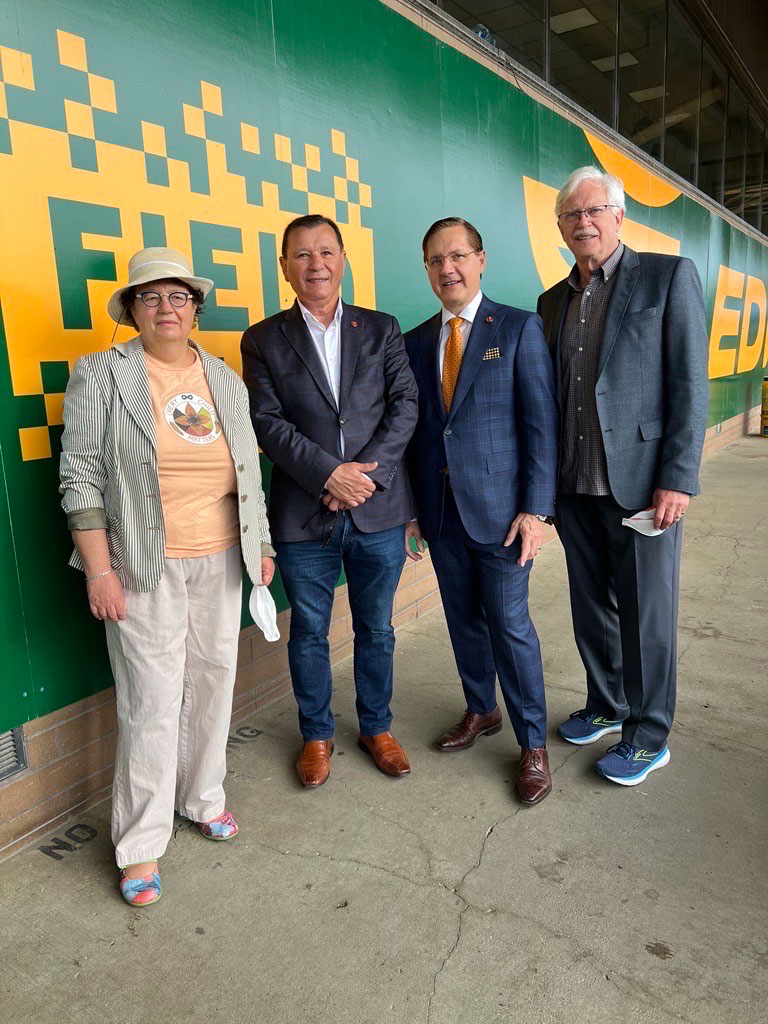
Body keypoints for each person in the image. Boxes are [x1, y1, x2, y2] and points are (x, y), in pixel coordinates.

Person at [60, 247, 274, 906]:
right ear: (131, 309)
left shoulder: (224, 379)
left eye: (178, 296)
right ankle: (141, 844)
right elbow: (80, 477)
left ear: (195, 307)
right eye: (149, 297)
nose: (165, 307)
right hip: (142, 564)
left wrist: (259, 545)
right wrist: (99, 568)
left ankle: (202, 796)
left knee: (214, 680)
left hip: (221, 558)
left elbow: (247, 470)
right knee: (151, 702)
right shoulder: (100, 374)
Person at [537, 167, 709, 786]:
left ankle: (648, 734)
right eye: (571, 215)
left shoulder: (667, 277)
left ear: (618, 216)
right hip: (575, 485)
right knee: (592, 608)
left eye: (594, 211)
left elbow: (690, 384)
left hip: (642, 485)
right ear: (560, 226)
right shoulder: (552, 300)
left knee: (646, 615)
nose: (583, 222)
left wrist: (678, 478)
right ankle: (607, 705)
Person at [241, 215, 418, 787]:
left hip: (378, 510)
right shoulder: (263, 338)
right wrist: (328, 475)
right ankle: (316, 735)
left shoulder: (382, 328)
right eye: (301, 254)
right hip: (302, 512)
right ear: (285, 266)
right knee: (309, 632)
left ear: (342, 259)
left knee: (378, 628)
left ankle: (376, 726)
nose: (315, 263)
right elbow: (265, 422)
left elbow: (404, 407)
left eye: (325, 251)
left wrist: (363, 478)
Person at [404, 217, 558, 806]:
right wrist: (415, 509)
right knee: (463, 620)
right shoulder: (417, 342)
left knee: (511, 626)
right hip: (441, 516)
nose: (449, 268)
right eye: (437, 260)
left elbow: (540, 427)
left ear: (481, 259)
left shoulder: (518, 328)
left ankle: (532, 744)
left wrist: (537, 512)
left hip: (504, 518)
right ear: (427, 269)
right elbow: (418, 435)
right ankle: (480, 709)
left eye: (459, 256)